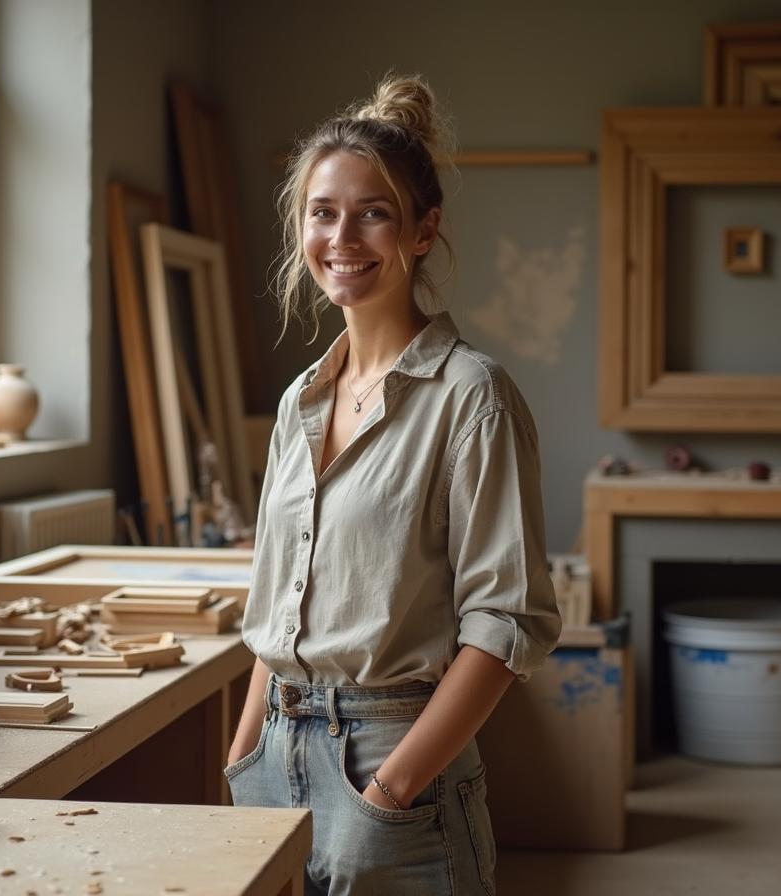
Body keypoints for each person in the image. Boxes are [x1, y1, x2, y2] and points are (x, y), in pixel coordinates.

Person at [224, 73, 562, 896]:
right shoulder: (298, 400)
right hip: (271, 756)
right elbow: (277, 605)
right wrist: (242, 759)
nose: (342, 236)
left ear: (422, 231)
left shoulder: (472, 396)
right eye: (322, 211)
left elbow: (506, 623)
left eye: (373, 211)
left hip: (391, 765)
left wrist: (392, 788)